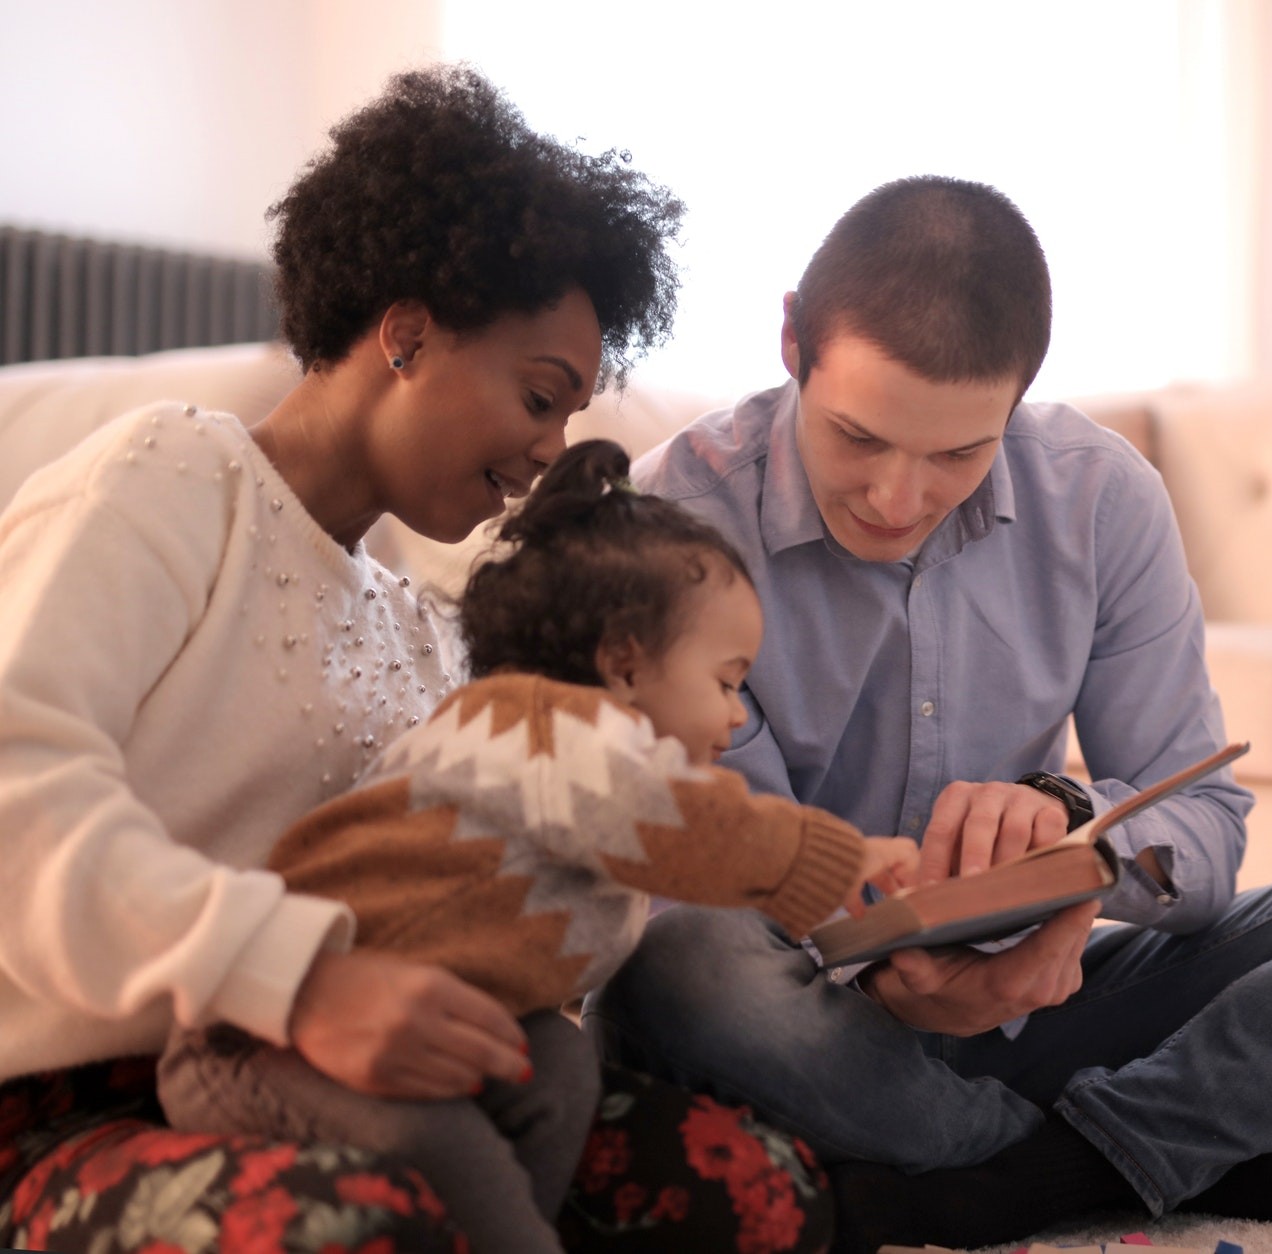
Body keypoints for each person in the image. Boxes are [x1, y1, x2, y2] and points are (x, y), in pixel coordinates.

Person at [582, 175, 1272, 1252]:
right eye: (858, 436)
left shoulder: (1101, 498)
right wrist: (892, 990)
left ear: (1021, 395)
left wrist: (1077, 848)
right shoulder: (668, 522)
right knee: (678, 967)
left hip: (1037, 1000)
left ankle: (1038, 1170)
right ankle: (1132, 1150)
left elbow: (1207, 836)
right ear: (791, 341)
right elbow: (698, 878)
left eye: (957, 452)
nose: (896, 500)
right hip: (803, 1022)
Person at [0, 64, 831, 1254]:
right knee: (375, 1225)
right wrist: (305, 981)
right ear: (405, 331)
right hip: (64, 1101)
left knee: (755, 1192)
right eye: (539, 397)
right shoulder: (173, 479)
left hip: (351, 1088)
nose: (552, 451)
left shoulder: (422, 624)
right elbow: (16, 795)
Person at [155, 437, 921, 1254]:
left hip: (418, 1031)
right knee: (444, 1150)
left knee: (554, 1062)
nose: (737, 715)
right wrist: (832, 857)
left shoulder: (556, 762)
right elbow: (689, 822)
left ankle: (512, 1225)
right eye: (727, 682)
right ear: (624, 665)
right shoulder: (551, 734)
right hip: (253, 1047)